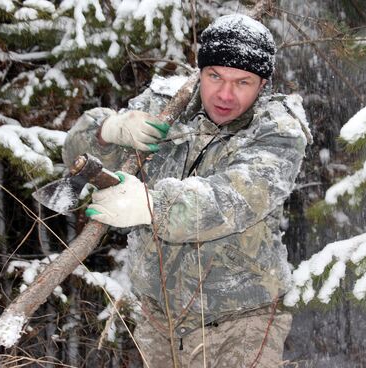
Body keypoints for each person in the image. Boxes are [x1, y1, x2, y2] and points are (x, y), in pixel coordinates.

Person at [63, 13, 310, 368]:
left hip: (240, 323)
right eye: (215, 77)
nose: (225, 94)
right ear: (200, 73)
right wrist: (107, 131)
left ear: (262, 84)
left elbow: (232, 199)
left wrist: (151, 205)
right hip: (157, 319)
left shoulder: (278, 132)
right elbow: (73, 158)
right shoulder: (167, 105)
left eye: (243, 82)